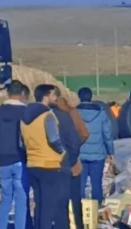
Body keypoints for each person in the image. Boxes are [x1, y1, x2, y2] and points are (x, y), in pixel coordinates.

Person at [20, 84, 67, 229]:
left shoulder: (24, 116)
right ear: (46, 96)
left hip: (33, 164)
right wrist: (62, 151)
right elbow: (53, 138)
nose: (56, 97)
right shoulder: (47, 115)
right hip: (49, 165)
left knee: (39, 205)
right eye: (54, 95)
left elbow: (21, 143)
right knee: (49, 206)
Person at [0, 80, 33, 229]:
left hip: (3, 160)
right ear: (22, 93)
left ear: (7, 93)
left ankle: (1, 226)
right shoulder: (26, 113)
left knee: (5, 198)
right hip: (21, 159)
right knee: (21, 199)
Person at [45, 86, 82, 229]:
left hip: (47, 165)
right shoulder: (67, 115)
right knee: (71, 199)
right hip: (67, 164)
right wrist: (70, 159)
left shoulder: (40, 117)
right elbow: (77, 139)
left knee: (51, 201)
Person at [55, 88, 89, 229]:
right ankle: (79, 225)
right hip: (74, 163)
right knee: (76, 199)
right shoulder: (73, 112)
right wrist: (74, 152)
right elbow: (84, 133)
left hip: (57, 163)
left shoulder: (51, 115)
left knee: (60, 200)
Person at [77, 87, 114, 204]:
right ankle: (97, 210)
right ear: (91, 97)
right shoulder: (101, 113)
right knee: (96, 183)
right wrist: (110, 152)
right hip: (98, 155)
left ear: (79, 97)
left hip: (79, 156)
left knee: (79, 185)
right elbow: (107, 134)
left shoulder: (74, 113)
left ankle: (78, 211)